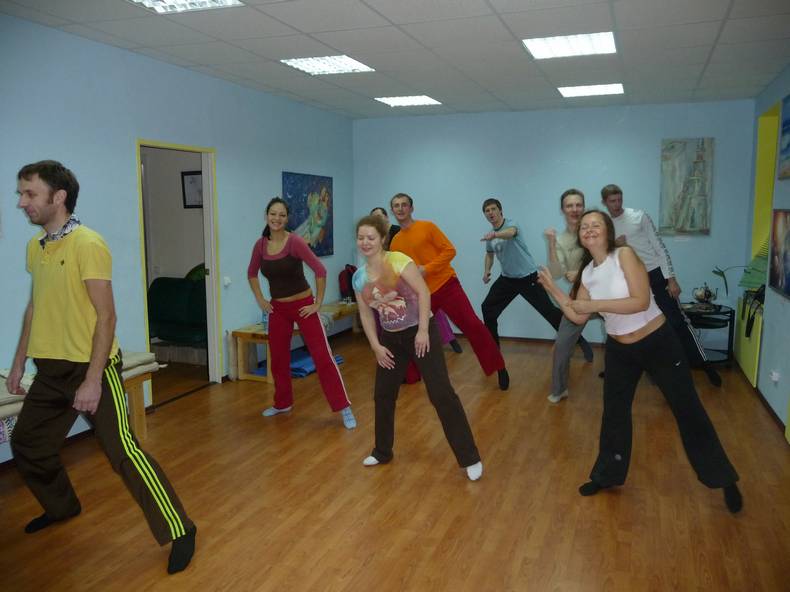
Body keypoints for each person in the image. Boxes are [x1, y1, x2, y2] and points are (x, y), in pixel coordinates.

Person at [7, 160, 196, 573]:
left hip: (91, 367)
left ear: (58, 197)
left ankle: (180, 528)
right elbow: (35, 307)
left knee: (122, 451)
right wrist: (19, 361)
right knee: (27, 442)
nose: (22, 202)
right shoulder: (37, 247)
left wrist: (93, 380)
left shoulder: (88, 243)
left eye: (29, 193)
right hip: (50, 370)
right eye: (21, 193)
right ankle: (62, 507)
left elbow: (106, 316)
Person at [537, 209, 742, 513]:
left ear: (607, 231)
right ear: (580, 236)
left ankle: (723, 478)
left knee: (688, 410)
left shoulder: (625, 255)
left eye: (595, 225)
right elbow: (577, 314)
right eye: (584, 227)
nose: (589, 229)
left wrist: (593, 304)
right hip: (620, 350)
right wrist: (552, 288)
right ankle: (607, 475)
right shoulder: (588, 273)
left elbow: (640, 301)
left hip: (658, 343)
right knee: (614, 413)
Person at [353, 215, 483, 481]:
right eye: (361, 238)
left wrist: (423, 330)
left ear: (382, 239)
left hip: (419, 332)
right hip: (390, 339)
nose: (365, 242)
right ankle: (382, 451)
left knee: (441, 393)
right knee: (383, 394)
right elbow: (365, 313)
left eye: (370, 237)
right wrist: (376, 346)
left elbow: (424, 292)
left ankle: (470, 458)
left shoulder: (399, 261)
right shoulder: (359, 278)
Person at [248, 197, 355, 429]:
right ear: (266, 216)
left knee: (322, 357)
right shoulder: (260, 245)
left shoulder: (294, 242)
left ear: (287, 219)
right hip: (278, 309)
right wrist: (261, 300)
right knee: (278, 359)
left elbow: (320, 270)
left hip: (303, 306)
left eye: (282, 215)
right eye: (273, 214)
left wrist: (317, 303)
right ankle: (282, 403)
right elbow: (252, 273)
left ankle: (343, 406)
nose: (277, 218)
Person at [600, 184, 721, 387]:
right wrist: (615, 245)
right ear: (605, 202)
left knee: (676, 321)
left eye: (619, 199)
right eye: (612, 201)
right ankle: (622, 367)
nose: (617, 204)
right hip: (630, 278)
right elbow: (604, 255)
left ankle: (705, 364)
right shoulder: (605, 225)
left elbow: (660, 248)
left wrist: (671, 279)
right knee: (629, 324)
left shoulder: (638, 216)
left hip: (654, 274)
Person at [389, 193, 510, 390]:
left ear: (411, 208)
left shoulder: (427, 227)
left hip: (446, 285)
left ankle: (499, 367)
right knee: (411, 332)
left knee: (473, 325)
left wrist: (427, 269)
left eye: (404, 205)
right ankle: (410, 375)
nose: (400, 208)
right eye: (396, 205)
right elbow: (399, 271)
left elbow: (450, 250)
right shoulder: (395, 242)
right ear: (392, 210)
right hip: (422, 295)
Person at [480, 197, 593, 360]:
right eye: (487, 211)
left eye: (493, 209)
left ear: (500, 210)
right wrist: (486, 271)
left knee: (550, 312)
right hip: (507, 280)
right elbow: (489, 255)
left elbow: (511, 233)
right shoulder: (490, 237)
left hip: (528, 278)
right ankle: (494, 353)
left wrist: (495, 234)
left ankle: (580, 340)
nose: (490, 213)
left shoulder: (511, 225)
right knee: (487, 308)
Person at [371, 206, 463, 355]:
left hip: (412, 275)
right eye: (374, 218)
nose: (377, 220)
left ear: (386, 217)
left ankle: (450, 340)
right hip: (396, 277)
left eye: (379, 217)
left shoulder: (397, 231)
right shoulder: (376, 236)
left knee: (431, 309)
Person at [543, 189, 597, 403]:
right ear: (563, 209)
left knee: (628, 336)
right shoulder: (563, 240)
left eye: (578, 205)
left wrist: (581, 273)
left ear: (584, 206)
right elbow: (557, 273)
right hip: (580, 297)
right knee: (562, 345)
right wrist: (552, 243)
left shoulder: (595, 228)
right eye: (569, 206)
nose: (574, 209)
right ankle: (560, 389)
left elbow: (608, 260)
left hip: (607, 296)